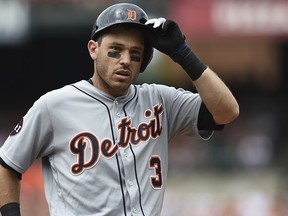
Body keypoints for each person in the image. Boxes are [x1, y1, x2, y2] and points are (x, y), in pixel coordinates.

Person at [0, 3, 239, 216]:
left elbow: (227, 112)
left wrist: (183, 53)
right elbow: (7, 164)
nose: (125, 60)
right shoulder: (55, 105)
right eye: (115, 50)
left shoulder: (161, 99)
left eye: (135, 54)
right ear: (93, 49)